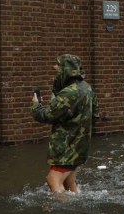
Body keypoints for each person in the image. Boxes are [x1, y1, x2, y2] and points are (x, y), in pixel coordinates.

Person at [30, 54, 99, 193]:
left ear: (66, 69)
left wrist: (36, 105)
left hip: (66, 146)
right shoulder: (87, 88)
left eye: (58, 67)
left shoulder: (69, 92)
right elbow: (95, 115)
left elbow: (48, 115)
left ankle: (61, 211)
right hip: (81, 145)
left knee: (53, 179)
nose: (55, 69)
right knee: (69, 182)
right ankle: (77, 207)